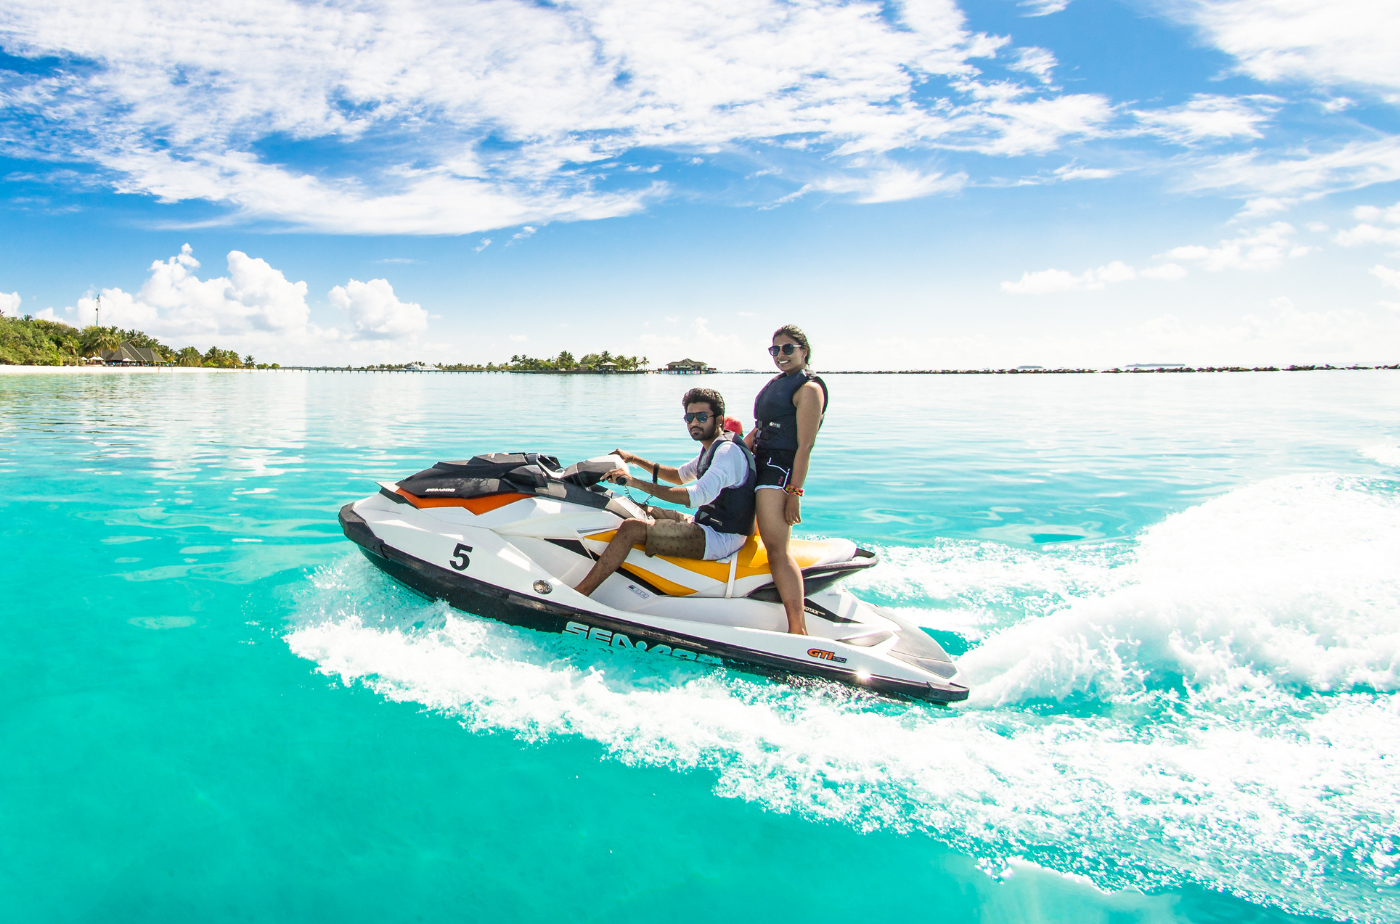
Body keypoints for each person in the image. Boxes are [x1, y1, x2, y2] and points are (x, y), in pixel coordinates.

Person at [573, 388, 757, 597]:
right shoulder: (713, 447)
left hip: (721, 538)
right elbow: (680, 475)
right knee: (634, 509)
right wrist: (633, 459)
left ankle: (580, 594)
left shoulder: (726, 452)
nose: (694, 423)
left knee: (631, 528)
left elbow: (694, 496)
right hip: (705, 523)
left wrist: (635, 482)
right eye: (689, 417)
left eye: (702, 417)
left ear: (719, 420)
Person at [745, 324, 827, 635]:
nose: (780, 354)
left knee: (777, 549)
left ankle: (798, 628)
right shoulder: (779, 383)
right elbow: (760, 428)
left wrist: (795, 492)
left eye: (788, 348)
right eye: (775, 349)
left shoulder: (809, 389)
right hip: (759, 465)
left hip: (778, 474)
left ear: (804, 351)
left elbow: (805, 445)